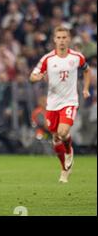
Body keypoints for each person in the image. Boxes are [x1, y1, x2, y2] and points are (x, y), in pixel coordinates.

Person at [30, 26, 90, 183]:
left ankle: (69, 151)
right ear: (54, 40)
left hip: (69, 102)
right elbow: (32, 75)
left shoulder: (77, 57)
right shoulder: (48, 59)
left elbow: (87, 70)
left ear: (69, 39)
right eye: (59, 38)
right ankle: (64, 169)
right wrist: (38, 77)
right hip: (52, 104)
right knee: (56, 138)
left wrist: (85, 88)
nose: (62, 41)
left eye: (65, 38)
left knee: (63, 132)